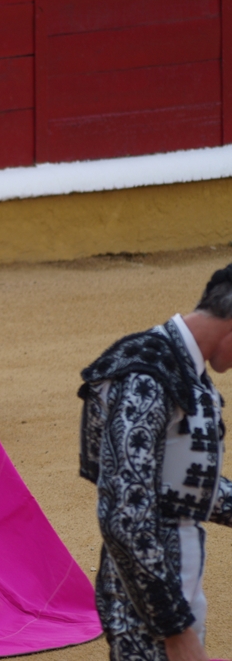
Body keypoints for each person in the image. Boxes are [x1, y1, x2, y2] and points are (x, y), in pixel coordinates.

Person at [79, 265, 232, 660]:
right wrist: (173, 628)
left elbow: (182, 484)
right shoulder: (146, 374)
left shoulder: (180, 365)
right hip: (146, 606)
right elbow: (124, 516)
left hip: (175, 586)